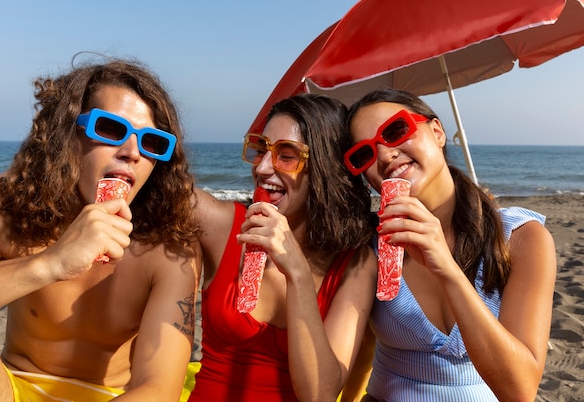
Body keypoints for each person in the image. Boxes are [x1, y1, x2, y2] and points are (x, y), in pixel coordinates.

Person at [0, 58, 201, 401]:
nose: (133, 152)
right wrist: (51, 262)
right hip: (10, 390)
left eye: (153, 142)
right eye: (109, 128)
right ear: (66, 135)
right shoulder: (17, 224)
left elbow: (158, 389)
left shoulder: (168, 253)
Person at [340, 88, 557, 402]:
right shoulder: (367, 246)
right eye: (365, 154)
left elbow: (520, 390)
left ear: (437, 131)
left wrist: (447, 269)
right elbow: (350, 359)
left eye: (395, 130)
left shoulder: (522, 238)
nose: (385, 155)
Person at [187, 93, 377, 402]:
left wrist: (298, 274)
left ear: (326, 169)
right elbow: (157, 184)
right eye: (261, 149)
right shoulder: (224, 225)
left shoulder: (355, 265)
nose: (261, 168)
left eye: (286, 154)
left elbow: (320, 396)